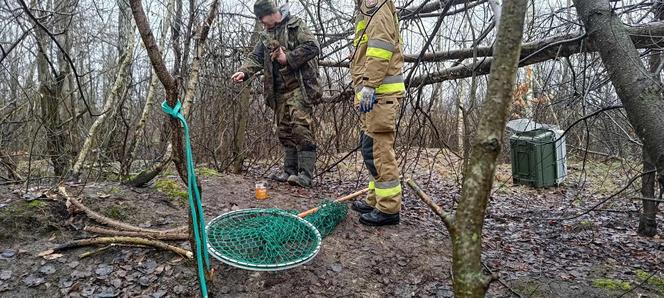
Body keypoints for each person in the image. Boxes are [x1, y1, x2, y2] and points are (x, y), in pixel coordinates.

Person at [232, 0, 321, 188]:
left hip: (299, 87)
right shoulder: (266, 36)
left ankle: (305, 176)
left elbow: (312, 47)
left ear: (271, 13)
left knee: (301, 129)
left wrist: (287, 58)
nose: (261, 22)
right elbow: (255, 57)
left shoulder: (295, 25)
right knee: (285, 131)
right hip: (278, 92)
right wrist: (244, 71)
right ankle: (290, 172)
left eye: (262, 18)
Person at [349, 0, 405, 226]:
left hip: (380, 95)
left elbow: (381, 49)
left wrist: (370, 85)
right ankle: (376, 200)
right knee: (370, 149)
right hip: (373, 95)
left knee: (380, 151)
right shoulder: (367, 8)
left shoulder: (379, 7)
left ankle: (389, 208)